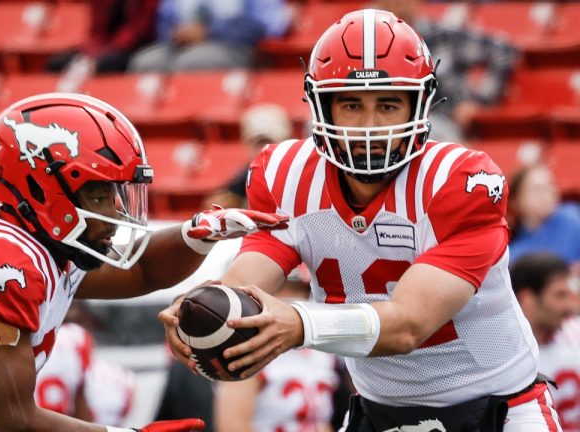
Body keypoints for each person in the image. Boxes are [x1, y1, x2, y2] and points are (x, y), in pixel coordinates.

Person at [159, 9, 563, 431]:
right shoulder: (287, 174)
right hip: (378, 413)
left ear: (419, 105)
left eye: (388, 104)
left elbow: (409, 325)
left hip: (499, 411)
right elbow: (251, 276)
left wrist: (299, 323)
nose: (370, 125)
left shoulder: (457, 181)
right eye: (351, 104)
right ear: (321, 106)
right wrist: (205, 312)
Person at [0, 93, 288, 432]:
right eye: (99, 192)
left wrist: (197, 235)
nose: (115, 211)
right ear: (40, 186)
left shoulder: (33, 236)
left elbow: (140, 271)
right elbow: (14, 420)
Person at [213, 268, 340, 432]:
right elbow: (233, 426)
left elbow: (321, 421)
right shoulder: (247, 345)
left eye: (301, 289)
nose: (293, 298)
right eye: (283, 287)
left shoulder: (322, 350)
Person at [375, 0, 518, 142]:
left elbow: (503, 50)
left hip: (442, 121)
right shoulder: (373, 44)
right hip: (388, 123)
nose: (395, 3)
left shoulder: (442, 36)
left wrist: (479, 100)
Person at [511, 252, 580, 431]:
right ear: (528, 299)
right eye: (559, 296)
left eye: (568, 295)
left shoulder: (575, 333)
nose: (568, 306)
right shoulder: (506, 359)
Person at [129, 0, 290, 73]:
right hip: (180, 46)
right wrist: (178, 33)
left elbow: (264, 24)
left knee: (195, 63)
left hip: (231, 45)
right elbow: (163, 21)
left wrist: (210, 32)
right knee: (146, 62)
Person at [203, 104, 293, 209]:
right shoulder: (244, 180)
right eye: (258, 144)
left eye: (270, 143)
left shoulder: (300, 174)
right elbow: (214, 206)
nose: (264, 150)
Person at [46, 0, 159, 75]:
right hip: (103, 48)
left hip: (134, 49)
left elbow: (136, 31)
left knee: (107, 63)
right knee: (58, 62)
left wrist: (99, 58)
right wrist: (90, 56)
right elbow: (96, 30)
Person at [508, 164, 580, 272]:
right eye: (537, 189)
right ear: (516, 201)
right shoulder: (513, 254)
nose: (547, 193)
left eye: (550, 185)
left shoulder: (572, 216)